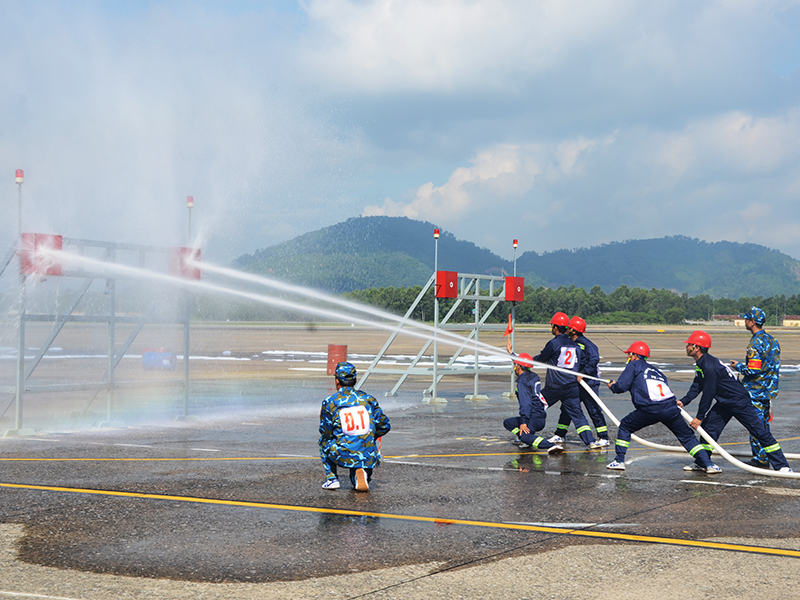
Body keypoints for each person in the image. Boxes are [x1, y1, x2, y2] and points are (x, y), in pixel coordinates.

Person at [678, 331, 791, 473]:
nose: (686, 347)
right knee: (709, 429)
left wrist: (699, 417)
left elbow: (709, 393)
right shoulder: (703, 363)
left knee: (758, 431)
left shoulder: (709, 366)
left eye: (689, 344)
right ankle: (702, 462)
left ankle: (782, 466)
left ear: (697, 347)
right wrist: (683, 401)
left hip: (738, 401)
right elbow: (697, 385)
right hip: (724, 402)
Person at [605, 341, 720, 473]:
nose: (628, 358)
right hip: (670, 407)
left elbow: (621, 387)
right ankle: (709, 464)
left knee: (625, 425)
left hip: (651, 408)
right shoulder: (656, 371)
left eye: (629, 355)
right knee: (687, 437)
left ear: (634, 355)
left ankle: (619, 460)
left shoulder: (634, 365)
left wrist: (613, 386)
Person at [509, 312, 596, 447]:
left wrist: (516, 357)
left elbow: (540, 359)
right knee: (578, 416)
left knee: (535, 407)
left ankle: (526, 436)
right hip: (571, 387)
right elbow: (582, 361)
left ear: (555, 328)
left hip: (554, 387)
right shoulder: (575, 345)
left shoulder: (554, 343)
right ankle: (590, 441)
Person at [319, 362, 391, 491]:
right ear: (355, 380)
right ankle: (361, 473)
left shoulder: (331, 401)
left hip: (343, 452)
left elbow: (326, 431)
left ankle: (332, 479)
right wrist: (371, 436)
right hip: (367, 453)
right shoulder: (369, 399)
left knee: (324, 442)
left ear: (337, 381)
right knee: (364, 443)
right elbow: (384, 425)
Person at [730, 307, 781, 468]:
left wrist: (738, 366)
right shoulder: (772, 340)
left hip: (755, 391)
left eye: (746, 319)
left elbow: (753, 369)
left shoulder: (755, 343)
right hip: (768, 390)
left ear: (752, 322)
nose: (745, 322)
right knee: (764, 425)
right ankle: (766, 456)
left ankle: (761, 459)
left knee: (756, 426)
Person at [550, 316, 610, 448]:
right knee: (567, 408)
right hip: (575, 383)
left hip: (588, 383)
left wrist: (583, 373)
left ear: (573, 330)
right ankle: (560, 434)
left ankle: (603, 437)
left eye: (569, 328)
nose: (566, 329)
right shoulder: (570, 342)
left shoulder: (587, 344)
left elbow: (594, 359)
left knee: (593, 409)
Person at [503, 352, 564, 454]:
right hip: (540, 416)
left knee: (524, 437)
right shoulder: (533, 375)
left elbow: (525, 403)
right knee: (508, 423)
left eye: (515, 365)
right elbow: (522, 362)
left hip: (533, 418)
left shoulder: (522, 382)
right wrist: (511, 353)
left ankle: (550, 445)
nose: (514, 367)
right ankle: (528, 438)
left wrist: (523, 422)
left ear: (518, 366)